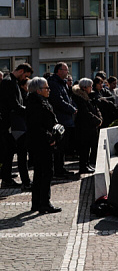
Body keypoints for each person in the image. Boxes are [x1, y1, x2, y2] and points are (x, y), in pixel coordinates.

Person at [25, 77, 61, 213]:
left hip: (41, 142)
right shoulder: (36, 103)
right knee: (45, 173)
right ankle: (44, 203)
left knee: (40, 173)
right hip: (41, 143)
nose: (49, 90)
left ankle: (38, 203)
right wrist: (49, 137)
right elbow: (36, 126)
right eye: (46, 88)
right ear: (39, 90)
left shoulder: (39, 101)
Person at [0, 63, 33, 188]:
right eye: (25, 76)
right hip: (11, 123)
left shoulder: (10, 81)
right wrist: (28, 111)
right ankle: (12, 180)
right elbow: (13, 104)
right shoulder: (9, 82)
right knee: (18, 153)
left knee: (10, 153)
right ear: (21, 71)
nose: (25, 79)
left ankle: (7, 179)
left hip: (11, 122)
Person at [48, 63, 77, 177]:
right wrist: (71, 109)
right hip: (60, 119)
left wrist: (73, 107)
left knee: (63, 147)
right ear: (59, 71)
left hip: (67, 120)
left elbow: (68, 99)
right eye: (65, 70)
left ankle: (61, 168)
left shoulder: (62, 83)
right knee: (58, 148)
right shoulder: (53, 83)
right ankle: (58, 170)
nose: (67, 72)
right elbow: (58, 101)